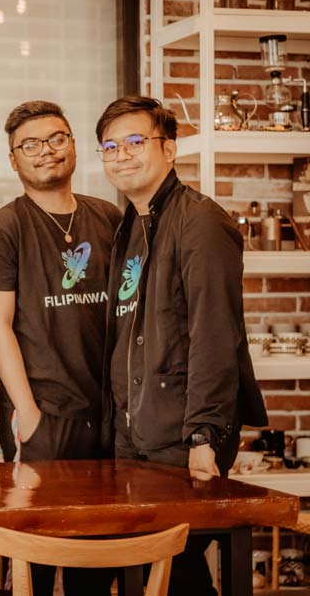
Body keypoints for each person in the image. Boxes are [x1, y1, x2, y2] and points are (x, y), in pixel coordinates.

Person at [96, 95, 268, 596]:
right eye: (110, 146)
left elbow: (217, 334)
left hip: (182, 434)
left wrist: (205, 437)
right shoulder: (130, 225)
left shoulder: (200, 222)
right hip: (136, 433)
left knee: (170, 569)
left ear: (169, 149)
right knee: (158, 571)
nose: (121, 155)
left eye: (135, 142)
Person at [0, 100, 120, 596]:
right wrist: (28, 413)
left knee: (97, 556)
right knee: (33, 557)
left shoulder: (108, 217)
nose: (46, 152)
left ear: (74, 145)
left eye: (57, 138)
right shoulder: (4, 228)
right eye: (31, 145)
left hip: (107, 412)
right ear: (14, 159)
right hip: (42, 411)